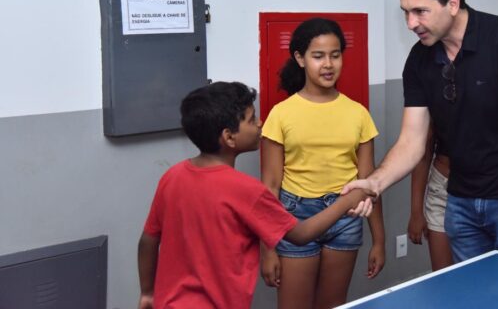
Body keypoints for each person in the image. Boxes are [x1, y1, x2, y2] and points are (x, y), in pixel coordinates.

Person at [343, 0, 498, 281]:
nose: (411, 23)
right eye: (405, 12)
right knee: (471, 296)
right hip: (460, 203)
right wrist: (375, 183)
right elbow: (412, 142)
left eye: (420, 11)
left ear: (452, 3)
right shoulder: (419, 60)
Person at [137, 81, 371, 309]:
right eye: (251, 120)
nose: (259, 123)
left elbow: (148, 240)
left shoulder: (172, 176)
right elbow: (301, 235)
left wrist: (147, 293)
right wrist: (349, 199)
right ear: (229, 137)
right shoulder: (246, 190)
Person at [261, 18, 385, 309]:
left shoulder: (358, 113)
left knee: (333, 304)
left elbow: (369, 183)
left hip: (346, 216)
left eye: (335, 55)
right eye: (318, 56)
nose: (328, 64)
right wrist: (267, 249)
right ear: (300, 58)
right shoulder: (281, 114)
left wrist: (379, 240)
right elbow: (270, 187)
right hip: (294, 218)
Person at [407, 124, 453, 271]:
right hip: (442, 187)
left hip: (487, 190)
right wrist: (416, 212)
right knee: (443, 276)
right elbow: (423, 154)